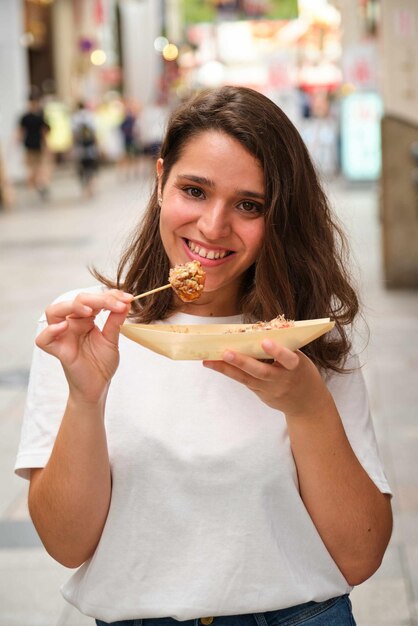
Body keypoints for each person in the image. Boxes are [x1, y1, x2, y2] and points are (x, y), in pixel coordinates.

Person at [15, 86, 392, 626]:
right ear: (160, 179)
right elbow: (67, 544)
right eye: (194, 190)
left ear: (280, 217)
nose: (213, 227)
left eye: (248, 205)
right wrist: (86, 396)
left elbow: (360, 555)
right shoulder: (83, 333)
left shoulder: (302, 343)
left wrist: (307, 407)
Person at [18, 94, 51, 199]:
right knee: (33, 168)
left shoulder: (38, 116)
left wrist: (46, 145)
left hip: (37, 145)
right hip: (30, 146)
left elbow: (44, 132)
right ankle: (36, 186)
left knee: (38, 168)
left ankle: (39, 185)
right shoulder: (27, 117)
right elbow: (21, 132)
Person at [71, 102, 99, 197]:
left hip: (80, 147)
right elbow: (95, 133)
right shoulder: (90, 116)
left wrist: (72, 147)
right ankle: (91, 187)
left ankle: (84, 188)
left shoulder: (74, 118)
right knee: (91, 167)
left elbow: (73, 134)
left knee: (81, 168)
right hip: (90, 147)